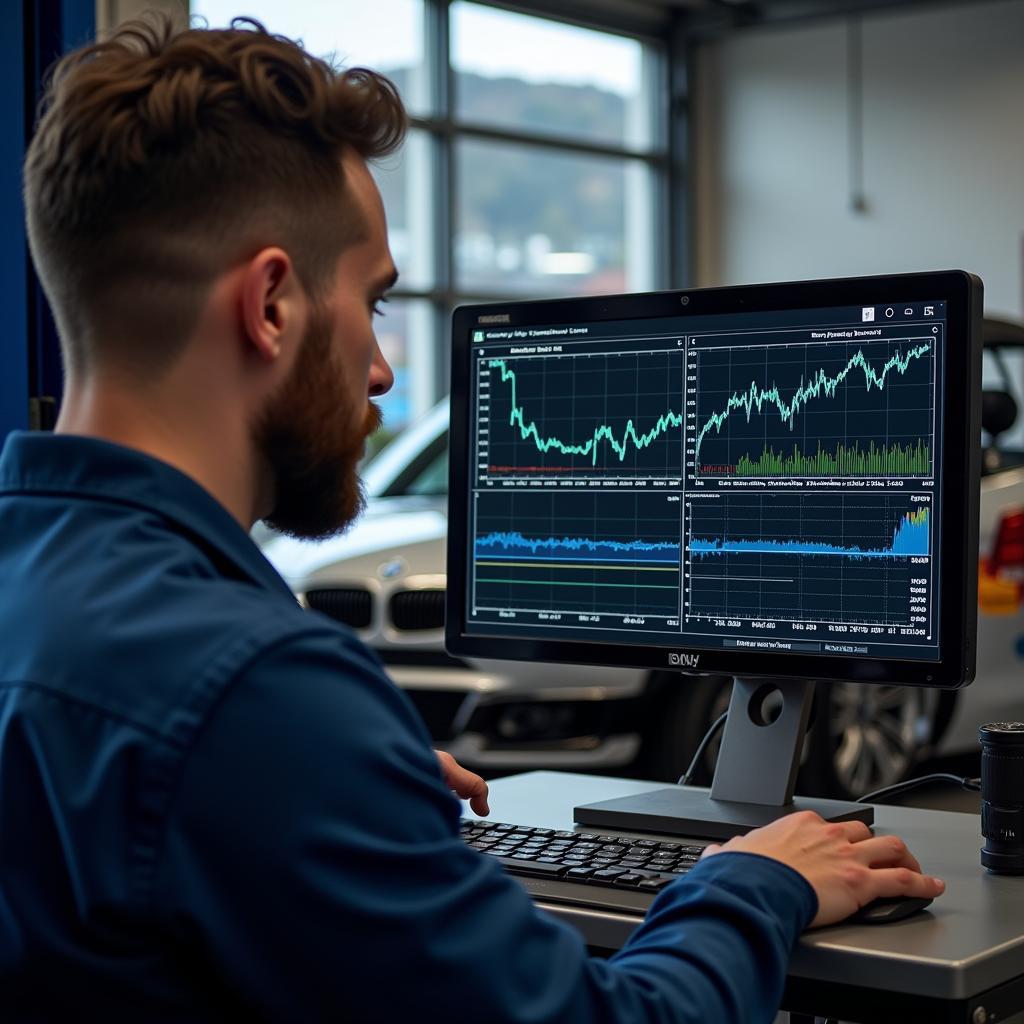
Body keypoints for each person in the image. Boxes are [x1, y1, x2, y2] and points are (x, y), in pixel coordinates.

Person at [0, 15, 944, 1022]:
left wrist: (351, 785)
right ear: (272, 304)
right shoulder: (249, 695)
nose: (381, 369)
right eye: (373, 302)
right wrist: (757, 881)